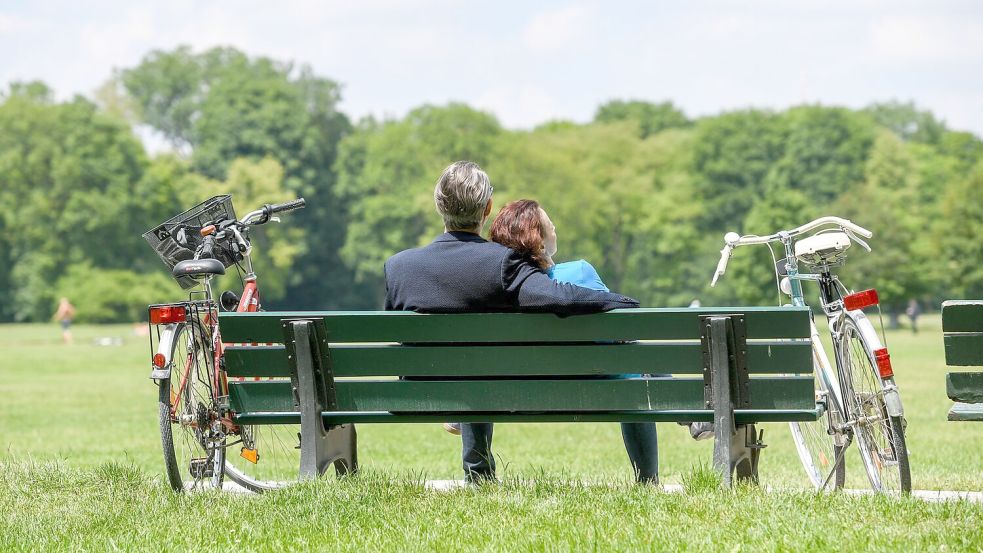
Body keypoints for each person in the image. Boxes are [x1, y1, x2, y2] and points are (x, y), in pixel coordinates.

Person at [384, 161, 640, 484]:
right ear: (488, 208)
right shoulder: (502, 263)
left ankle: (478, 476)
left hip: (417, 393)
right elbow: (559, 297)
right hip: (493, 387)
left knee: (472, 366)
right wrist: (622, 301)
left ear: (439, 207)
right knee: (477, 366)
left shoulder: (398, 267)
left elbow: (397, 340)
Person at [486, 199, 660, 484]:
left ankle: (479, 477)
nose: (554, 226)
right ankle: (648, 481)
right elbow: (620, 332)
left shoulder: (499, 289)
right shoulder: (578, 272)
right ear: (539, 241)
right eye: (548, 223)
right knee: (634, 367)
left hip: (520, 395)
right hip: (599, 390)